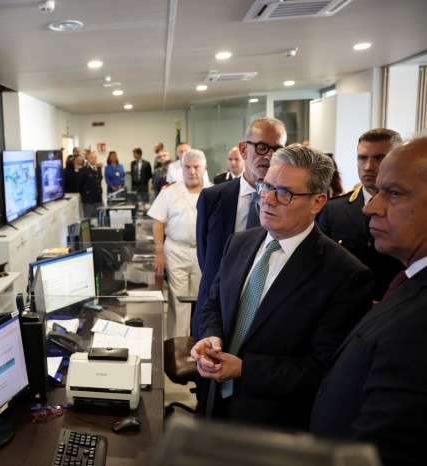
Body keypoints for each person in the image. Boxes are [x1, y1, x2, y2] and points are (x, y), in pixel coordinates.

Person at [192, 144, 373, 431]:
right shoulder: (238, 243)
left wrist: (244, 369)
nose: (268, 200)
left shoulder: (345, 275)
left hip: (274, 426)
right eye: (266, 186)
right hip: (214, 406)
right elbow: (213, 304)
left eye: (285, 193)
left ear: (317, 202)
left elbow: (324, 369)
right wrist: (211, 336)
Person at [310, 136, 427, 466]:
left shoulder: (419, 320)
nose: (370, 207)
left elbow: (389, 448)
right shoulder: (408, 282)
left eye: (394, 193)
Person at [193, 117, 287, 339]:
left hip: (266, 317)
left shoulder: (289, 201)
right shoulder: (212, 198)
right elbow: (205, 256)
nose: (270, 155)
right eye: (262, 146)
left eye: (278, 149)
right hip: (214, 313)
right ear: (244, 149)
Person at [317, 128, 404, 301]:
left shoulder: (410, 210)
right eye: (362, 158)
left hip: (393, 309)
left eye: (379, 158)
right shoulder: (334, 210)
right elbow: (320, 266)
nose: (368, 166)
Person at [147, 149, 207, 338]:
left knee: (203, 302)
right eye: (187, 167)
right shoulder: (170, 191)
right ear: (181, 168)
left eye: (196, 167)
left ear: (204, 168)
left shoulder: (214, 192)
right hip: (176, 250)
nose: (192, 171)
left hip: (203, 252)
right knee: (178, 302)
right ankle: (177, 346)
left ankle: (199, 343)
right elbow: (158, 222)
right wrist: (159, 252)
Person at [77, 151, 103, 218]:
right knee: (89, 218)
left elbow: (99, 180)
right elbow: (79, 185)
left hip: (98, 198)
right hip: (88, 199)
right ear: (88, 159)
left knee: (99, 218)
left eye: (95, 157)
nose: (94, 159)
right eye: (92, 158)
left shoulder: (98, 168)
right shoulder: (83, 170)